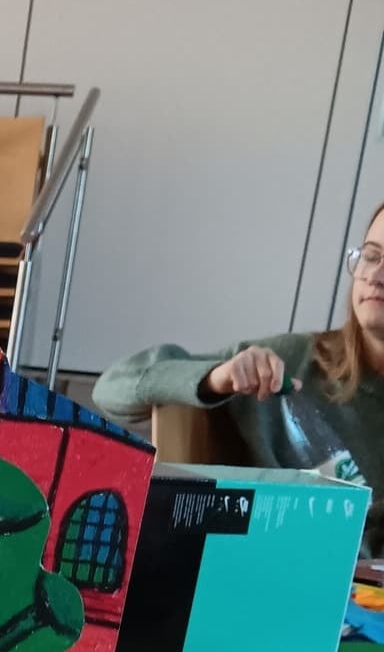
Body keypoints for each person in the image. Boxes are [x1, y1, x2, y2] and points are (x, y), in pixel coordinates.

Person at [94, 202, 384, 552]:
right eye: (371, 255)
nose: (375, 274)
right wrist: (214, 380)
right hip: (260, 568)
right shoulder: (293, 360)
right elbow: (112, 389)